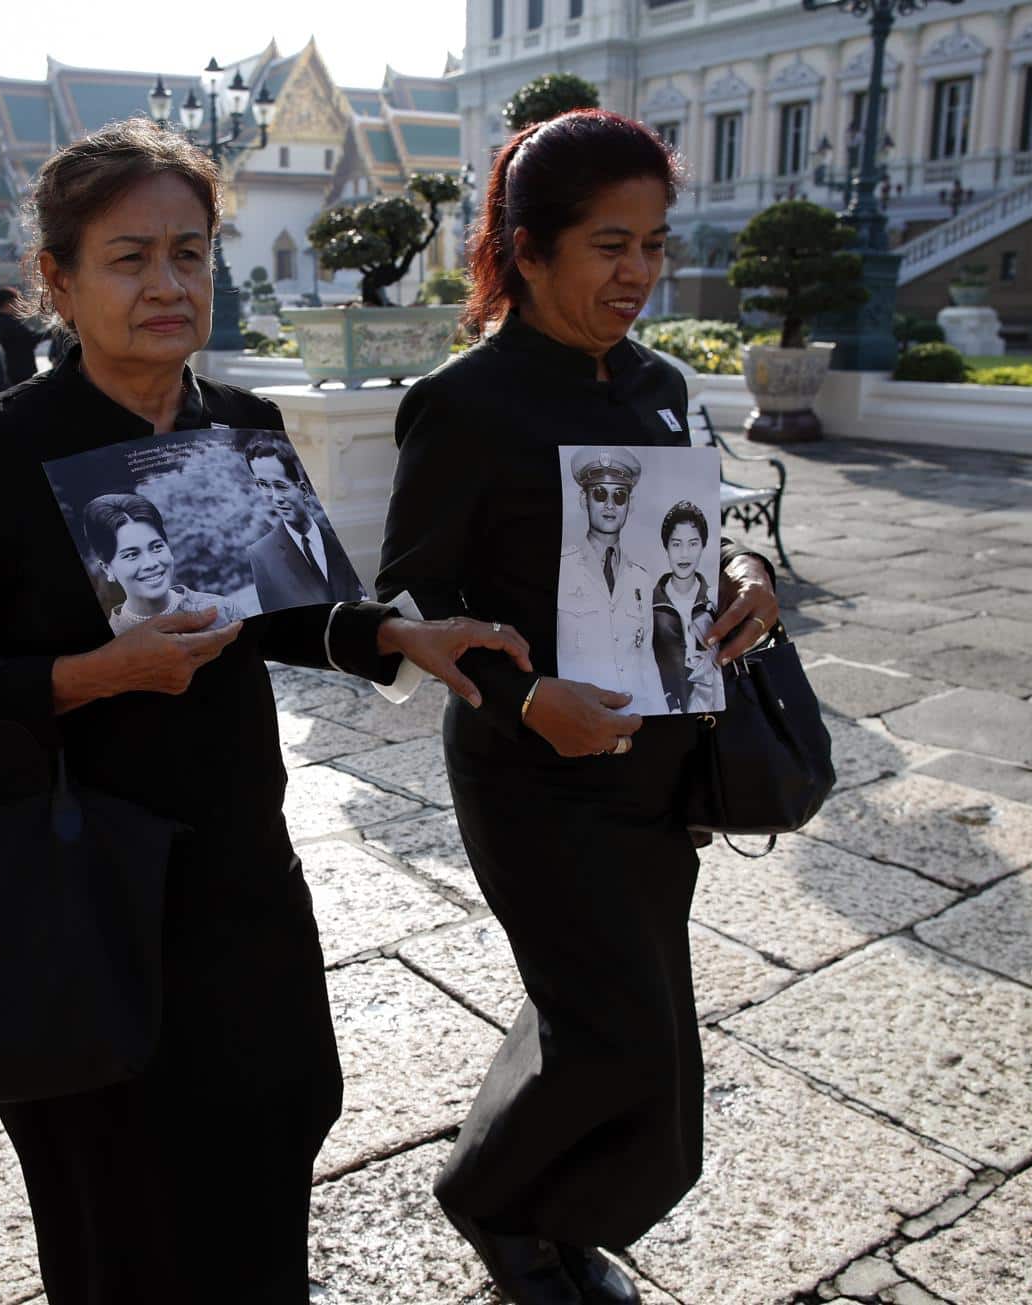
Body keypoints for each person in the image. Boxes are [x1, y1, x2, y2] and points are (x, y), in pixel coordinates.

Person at [0, 118, 530, 1305]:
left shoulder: (242, 426)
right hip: (74, 880)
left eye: (191, 252)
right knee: (114, 1188)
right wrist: (94, 674)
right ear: (59, 281)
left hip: (236, 864)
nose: (169, 284)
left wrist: (398, 632)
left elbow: (289, 610)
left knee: (276, 1122)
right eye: (129, 258)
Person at [375, 110, 781, 1305]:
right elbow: (412, 589)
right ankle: (496, 1206)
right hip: (533, 770)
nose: (641, 274)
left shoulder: (660, 384)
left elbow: (721, 529)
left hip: (659, 763)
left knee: (623, 1012)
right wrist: (524, 696)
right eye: (611, 245)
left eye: (654, 243)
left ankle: (550, 1211)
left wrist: (750, 578)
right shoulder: (467, 400)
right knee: (618, 1030)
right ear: (530, 248)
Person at [555, 446, 657, 709]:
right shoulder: (561, 569)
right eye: (600, 494)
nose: (610, 505)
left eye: (620, 496)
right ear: (583, 500)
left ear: (629, 506)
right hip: (576, 712)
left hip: (635, 712)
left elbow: (646, 658)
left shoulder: (641, 579)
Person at [83, 492, 239, 635]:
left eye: (157, 547)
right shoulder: (112, 642)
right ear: (107, 568)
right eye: (131, 555)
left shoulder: (223, 611)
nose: (151, 563)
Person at [242, 433, 362, 609]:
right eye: (264, 485)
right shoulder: (261, 556)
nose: (276, 498)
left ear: (304, 490)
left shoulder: (340, 537)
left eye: (281, 486)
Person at [649, 500, 719, 714]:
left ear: (704, 545)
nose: (684, 554)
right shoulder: (649, 603)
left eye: (693, 543)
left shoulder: (714, 599)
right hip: (664, 710)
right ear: (666, 546)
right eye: (676, 544)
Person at [0, 285, 46, 384]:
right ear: (8, 303)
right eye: (17, 301)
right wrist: (52, 331)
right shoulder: (8, 323)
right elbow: (31, 339)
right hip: (18, 372)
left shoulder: (0, 321)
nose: (20, 304)